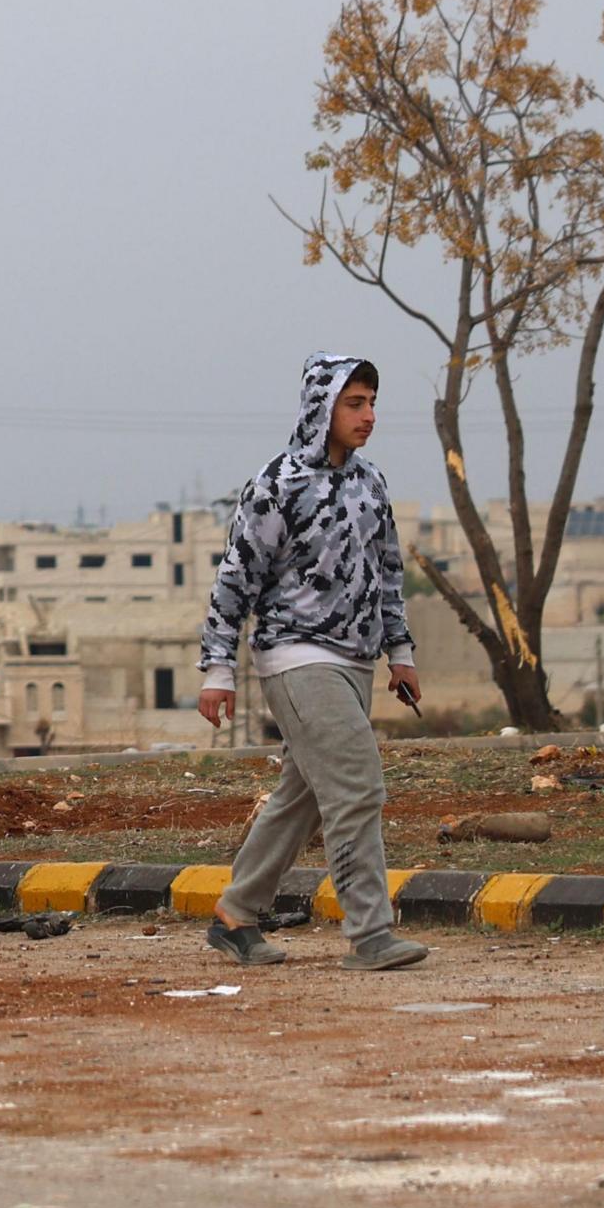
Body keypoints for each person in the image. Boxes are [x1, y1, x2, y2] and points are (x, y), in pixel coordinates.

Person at [195, 354, 429, 972]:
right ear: (321, 407)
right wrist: (217, 670)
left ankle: (236, 915)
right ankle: (371, 933)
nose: (368, 416)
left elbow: (387, 574)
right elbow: (235, 580)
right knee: (357, 787)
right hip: (295, 657)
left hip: (354, 661)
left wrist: (399, 654)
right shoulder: (277, 483)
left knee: (300, 796)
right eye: (354, 403)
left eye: (373, 402)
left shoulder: (370, 481)